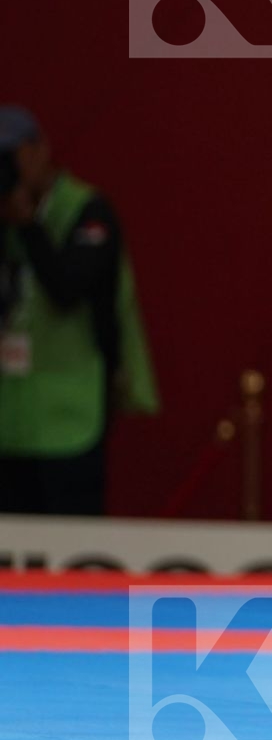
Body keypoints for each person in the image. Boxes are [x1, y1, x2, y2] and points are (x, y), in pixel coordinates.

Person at [0, 106, 159, 515]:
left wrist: (29, 225)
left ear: (39, 150)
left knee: (66, 543)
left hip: (71, 415)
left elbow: (68, 288)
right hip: (9, 415)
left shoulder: (87, 211)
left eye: (8, 156)